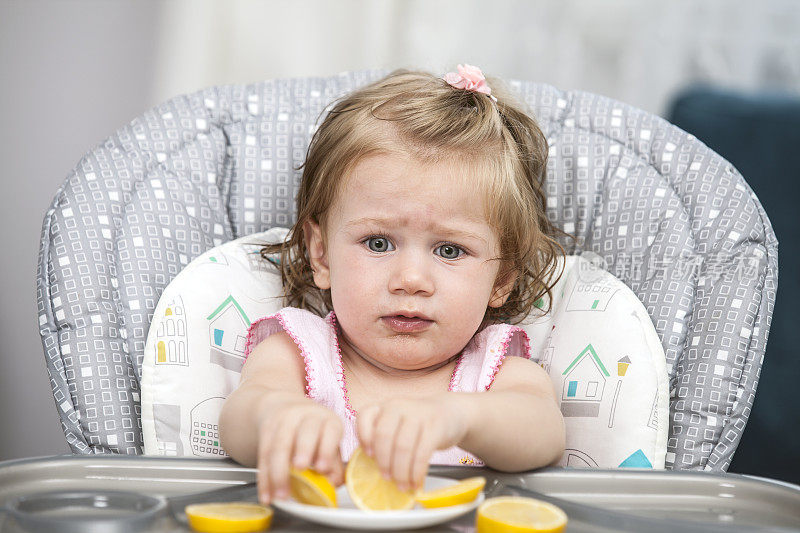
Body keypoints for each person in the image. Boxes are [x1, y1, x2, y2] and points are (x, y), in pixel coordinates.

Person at [219, 64, 568, 505]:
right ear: (321, 254)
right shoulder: (298, 352)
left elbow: (543, 433)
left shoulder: (497, 372)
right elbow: (238, 419)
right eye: (378, 242)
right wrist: (277, 415)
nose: (411, 280)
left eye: (449, 250)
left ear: (501, 278)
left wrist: (461, 418)